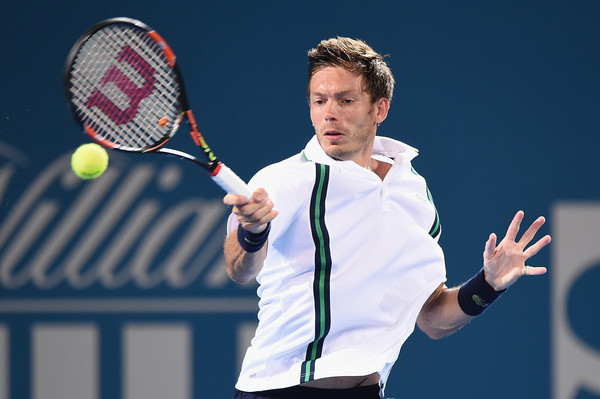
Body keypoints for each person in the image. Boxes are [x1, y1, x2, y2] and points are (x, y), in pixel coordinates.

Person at [223, 37, 551, 399]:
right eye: (319, 101)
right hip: (279, 391)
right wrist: (252, 233)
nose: (329, 113)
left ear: (380, 109)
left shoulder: (411, 189)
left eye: (346, 100)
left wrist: (487, 285)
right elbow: (240, 270)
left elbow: (431, 317)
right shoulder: (283, 181)